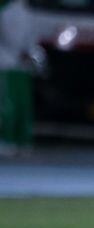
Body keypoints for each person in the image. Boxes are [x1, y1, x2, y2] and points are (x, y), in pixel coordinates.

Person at [0, 0, 39, 157]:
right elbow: (15, 36)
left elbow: (25, 37)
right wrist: (25, 52)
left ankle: (16, 140)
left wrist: (26, 52)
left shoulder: (20, 11)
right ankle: (13, 140)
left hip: (15, 64)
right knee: (13, 105)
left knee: (17, 105)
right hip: (12, 63)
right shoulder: (13, 11)